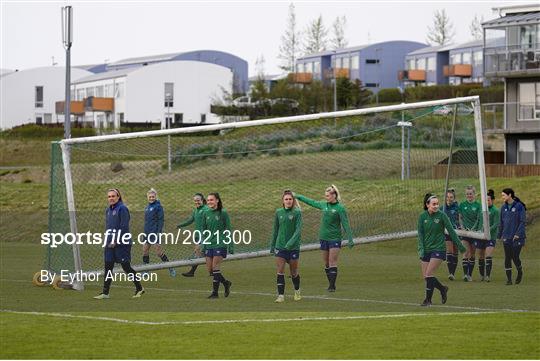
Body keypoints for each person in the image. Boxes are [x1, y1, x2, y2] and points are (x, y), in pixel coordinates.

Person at [294, 185, 354, 292]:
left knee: (332, 261)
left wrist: (350, 238)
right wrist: (298, 196)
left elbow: (346, 224)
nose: (326, 198)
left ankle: (332, 285)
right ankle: (330, 283)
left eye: (328, 196)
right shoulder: (323, 205)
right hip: (323, 237)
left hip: (335, 238)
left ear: (334, 195)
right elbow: (311, 202)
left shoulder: (340, 208)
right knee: (326, 263)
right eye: (325, 196)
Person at [94, 188, 145, 299]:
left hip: (122, 243)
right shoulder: (108, 210)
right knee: (108, 267)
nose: (111, 198)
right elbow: (108, 227)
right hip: (109, 244)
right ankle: (105, 293)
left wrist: (116, 240)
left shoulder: (122, 209)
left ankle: (139, 288)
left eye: (113, 196)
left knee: (126, 267)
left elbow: (124, 227)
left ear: (118, 197)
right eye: (109, 196)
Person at [417, 193, 465, 306]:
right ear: (427, 205)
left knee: (429, 274)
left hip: (439, 249)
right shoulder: (422, 217)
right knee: (426, 277)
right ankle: (443, 289)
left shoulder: (442, 216)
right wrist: (421, 250)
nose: (436, 206)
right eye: (433, 204)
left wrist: (460, 246)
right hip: (426, 250)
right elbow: (420, 235)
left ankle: (428, 300)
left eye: (437, 204)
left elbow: (452, 232)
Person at [269, 190, 302, 303]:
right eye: (286, 199)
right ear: (283, 201)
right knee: (280, 271)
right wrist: (272, 246)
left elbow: (298, 231)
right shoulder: (278, 212)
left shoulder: (297, 213)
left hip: (293, 248)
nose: (288, 201)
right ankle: (281, 296)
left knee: (294, 272)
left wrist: (290, 243)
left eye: (290, 199)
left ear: (293, 201)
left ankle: (297, 291)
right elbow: (275, 230)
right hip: (280, 247)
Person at [201, 192, 234, 298]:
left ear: (217, 200)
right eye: (208, 200)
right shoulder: (205, 213)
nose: (210, 202)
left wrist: (231, 245)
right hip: (209, 243)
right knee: (210, 270)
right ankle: (225, 283)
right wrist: (203, 244)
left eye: (212, 200)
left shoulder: (223, 213)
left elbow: (228, 229)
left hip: (220, 243)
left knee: (215, 268)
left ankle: (215, 293)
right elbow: (203, 230)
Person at [141, 188, 176, 277]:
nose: (151, 198)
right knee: (145, 251)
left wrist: (158, 232)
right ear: (147, 197)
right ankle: (146, 270)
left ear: (156, 197)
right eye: (150, 197)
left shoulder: (158, 207)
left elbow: (161, 220)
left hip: (155, 233)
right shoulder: (147, 207)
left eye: (153, 197)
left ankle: (170, 267)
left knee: (159, 253)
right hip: (147, 233)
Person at [498, 188, 527, 285]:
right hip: (507, 236)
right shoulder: (503, 207)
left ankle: (520, 272)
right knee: (507, 257)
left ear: (509, 195)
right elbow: (501, 223)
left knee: (515, 256)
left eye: (503, 195)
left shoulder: (519, 206)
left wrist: (518, 234)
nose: (502, 197)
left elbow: (523, 222)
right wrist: (499, 235)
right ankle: (509, 280)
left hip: (518, 237)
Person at [177, 193, 209, 277]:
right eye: (195, 201)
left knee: (199, 253)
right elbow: (190, 220)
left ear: (202, 200)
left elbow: (208, 223)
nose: (196, 202)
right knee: (201, 254)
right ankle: (212, 271)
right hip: (198, 236)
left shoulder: (206, 209)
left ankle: (193, 271)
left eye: (198, 200)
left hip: (204, 236)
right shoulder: (196, 210)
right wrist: (180, 225)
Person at [474, 189, 499, 282]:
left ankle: (488, 276)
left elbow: (496, 224)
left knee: (488, 255)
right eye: (485, 200)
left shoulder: (495, 210)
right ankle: (482, 275)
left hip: (490, 237)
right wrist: (474, 229)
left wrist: (487, 230)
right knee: (480, 256)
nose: (486, 202)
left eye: (488, 200)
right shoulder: (481, 208)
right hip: (481, 236)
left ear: (492, 200)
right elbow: (478, 221)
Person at [458, 185, 482, 282]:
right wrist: (463, 228)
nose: (469, 195)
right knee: (465, 253)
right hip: (465, 233)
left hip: (474, 233)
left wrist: (473, 229)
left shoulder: (478, 205)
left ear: (474, 194)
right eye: (467, 194)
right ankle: (465, 275)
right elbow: (460, 218)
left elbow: (478, 219)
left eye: (470, 194)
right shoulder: (462, 205)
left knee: (472, 254)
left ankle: (470, 275)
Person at [443, 188, 459, 280]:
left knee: (455, 252)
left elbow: (461, 218)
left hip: (457, 232)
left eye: (451, 197)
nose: (449, 199)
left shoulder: (457, 207)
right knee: (450, 250)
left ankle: (453, 272)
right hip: (447, 233)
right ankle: (450, 273)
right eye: (447, 197)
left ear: (454, 198)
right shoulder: (442, 208)